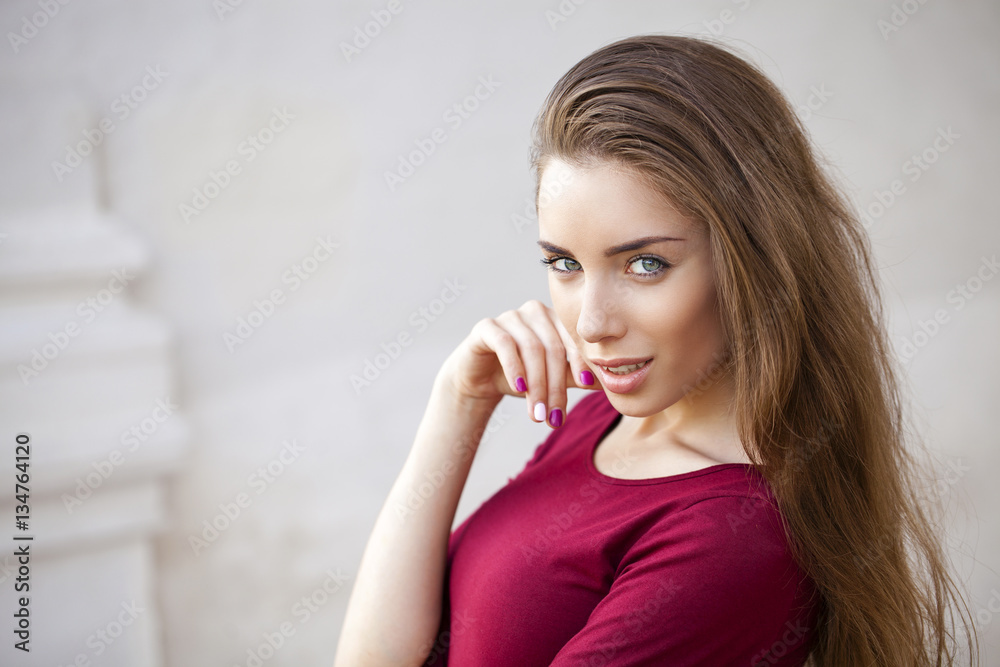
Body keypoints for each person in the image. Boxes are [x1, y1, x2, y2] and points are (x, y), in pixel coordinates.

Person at [333, 34, 980, 666]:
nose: (592, 322)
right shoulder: (606, 414)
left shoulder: (729, 537)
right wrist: (459, 402)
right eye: (564, 262)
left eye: (645, 263)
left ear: (754, 258)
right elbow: (378, 655)